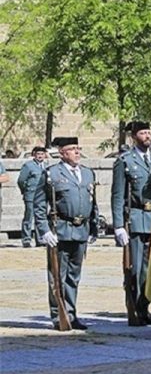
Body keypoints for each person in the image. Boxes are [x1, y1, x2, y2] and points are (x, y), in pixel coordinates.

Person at [34, 137, 99, 330]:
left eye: (78, 148)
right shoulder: (52, 173)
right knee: (57, 275)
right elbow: (38, 204)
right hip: (60, 229)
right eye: (72, 149)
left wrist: (94, 226)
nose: (77, 152)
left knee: (73, 276)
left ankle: (71, 313)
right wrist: (44, 230)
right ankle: (58, 315)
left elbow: (92, 202)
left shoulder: (87, 173)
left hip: (81, 230)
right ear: (62, 153)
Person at [111, 121, 151, 327]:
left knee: (150, 270)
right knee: (133, 269)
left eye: (149, 132)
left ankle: (145, 307)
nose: (148, 136)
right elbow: (117, 195)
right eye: (143, 132)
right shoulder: (125, 161)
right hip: (135, 217)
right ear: (134, 136)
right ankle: (133, 308)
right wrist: (118, 225)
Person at [17, 146, 47, 247]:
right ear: (34, 155)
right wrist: (25, 191)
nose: (40, 156)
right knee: (29, 217)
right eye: (38, 154)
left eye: (42, 154)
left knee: (41, 217)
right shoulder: (28, 166)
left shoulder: (46, 166)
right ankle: (26, 239)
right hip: (31, 195)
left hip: (42, 196)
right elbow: (21, 180)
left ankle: (40, 239)